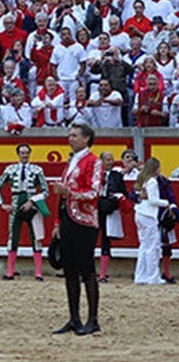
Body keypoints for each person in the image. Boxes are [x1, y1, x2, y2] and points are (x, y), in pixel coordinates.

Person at [50, 123, 104, 335]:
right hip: (68, 219)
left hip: (84, 222)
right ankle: (74, 318)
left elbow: (93, 192)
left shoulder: (94, 161)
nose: (69, 138)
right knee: (69, 270)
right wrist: (57, 222)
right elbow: (63, 195)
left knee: (86, 270)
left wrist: (68, 191)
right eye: (69, 135)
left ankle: (93, 319)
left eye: (74, 135)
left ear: (86, 139)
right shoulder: (72, 160)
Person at [0, 143, 50, 281]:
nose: (25, 155)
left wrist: (32, 201)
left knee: (36, 238)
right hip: (15, 205)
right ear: (18, 154)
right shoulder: (10, 169)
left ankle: (38, 273)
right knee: (13, 238)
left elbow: (46, 191)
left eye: (27, 153)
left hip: (33, 206)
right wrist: (2, 204)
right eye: (22, 153)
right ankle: (10, 272)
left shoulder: (37, 170)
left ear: (30, 154)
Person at [132, 157, 168, 285]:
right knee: (153, 246)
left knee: (144, 246)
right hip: (148, 215)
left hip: (140, 213)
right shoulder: (152, 181)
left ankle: (140, 276)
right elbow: (153, 201)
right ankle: (153, 277)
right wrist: (166, 203)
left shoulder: (143, 180)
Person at [96, 152, 127, 283]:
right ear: (101, 161)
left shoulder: (117, 175)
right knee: (89, 240)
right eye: (107, 159)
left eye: (111, 159)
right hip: (95, 209)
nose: (110, 162)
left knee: (105, 241)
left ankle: (102, 274)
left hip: (109, 209)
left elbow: (124, 192)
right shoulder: (95, 174)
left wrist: (118, 197)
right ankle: (88, 272)